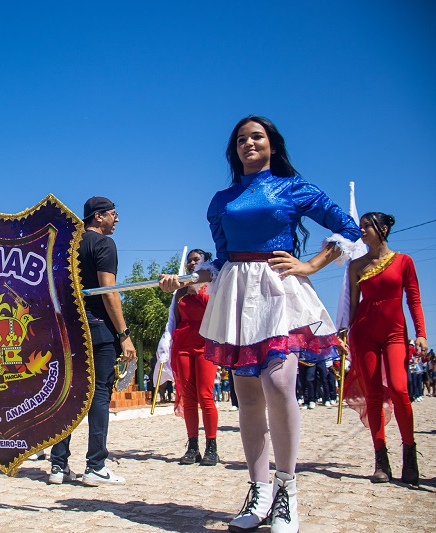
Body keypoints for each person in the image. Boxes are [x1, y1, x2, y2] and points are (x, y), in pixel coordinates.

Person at [160, 116, 360, 533]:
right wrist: (185, 279)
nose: (249, 143)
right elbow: (220, 258)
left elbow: (349, 231)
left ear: (272, 144)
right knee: (247, 397)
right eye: (241, 139)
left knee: (281, 384)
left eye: (257, 137)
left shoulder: (292, 187)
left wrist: (312, 263)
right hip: (236, 295)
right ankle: (259, 490)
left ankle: (287, 490)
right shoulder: (221, 200)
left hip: (279, 290)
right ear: (233, 150)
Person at [49, 196, 137, 486]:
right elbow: (109, 292)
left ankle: (58, 467)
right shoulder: (104, 244)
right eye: (114, 214)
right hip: (98, 329)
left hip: (69, 331)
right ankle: (95, 466)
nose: (118, 219)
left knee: (68, 395)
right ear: (98, 217)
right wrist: (124, 334)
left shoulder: (67, 246)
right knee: (98, 394)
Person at [345, 212, 428, 486]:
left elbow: (414, 299)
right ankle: (381, 461)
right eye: (361, 227)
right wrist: (348, 332)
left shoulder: (404, 261)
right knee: (373, 394)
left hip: (395, 332)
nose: (363, 230)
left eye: (367, 226)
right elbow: (353, 304)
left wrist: (421, 334)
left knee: (400, 388)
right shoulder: (356, 265)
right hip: (364, 332)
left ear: (382, 229)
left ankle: (410, 455)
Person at [166, 249, 221, 466]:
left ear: (205, 262)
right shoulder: (180, 291)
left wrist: (196, 292)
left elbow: (216, 311)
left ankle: (211, 446)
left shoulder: (212, 285)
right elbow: (176, 320)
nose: (191, 263)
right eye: (189, 261)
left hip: (206, 343)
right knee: (188, 397)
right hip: (183, 345)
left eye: (196, 260)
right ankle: (192, 446)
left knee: (205, 395)